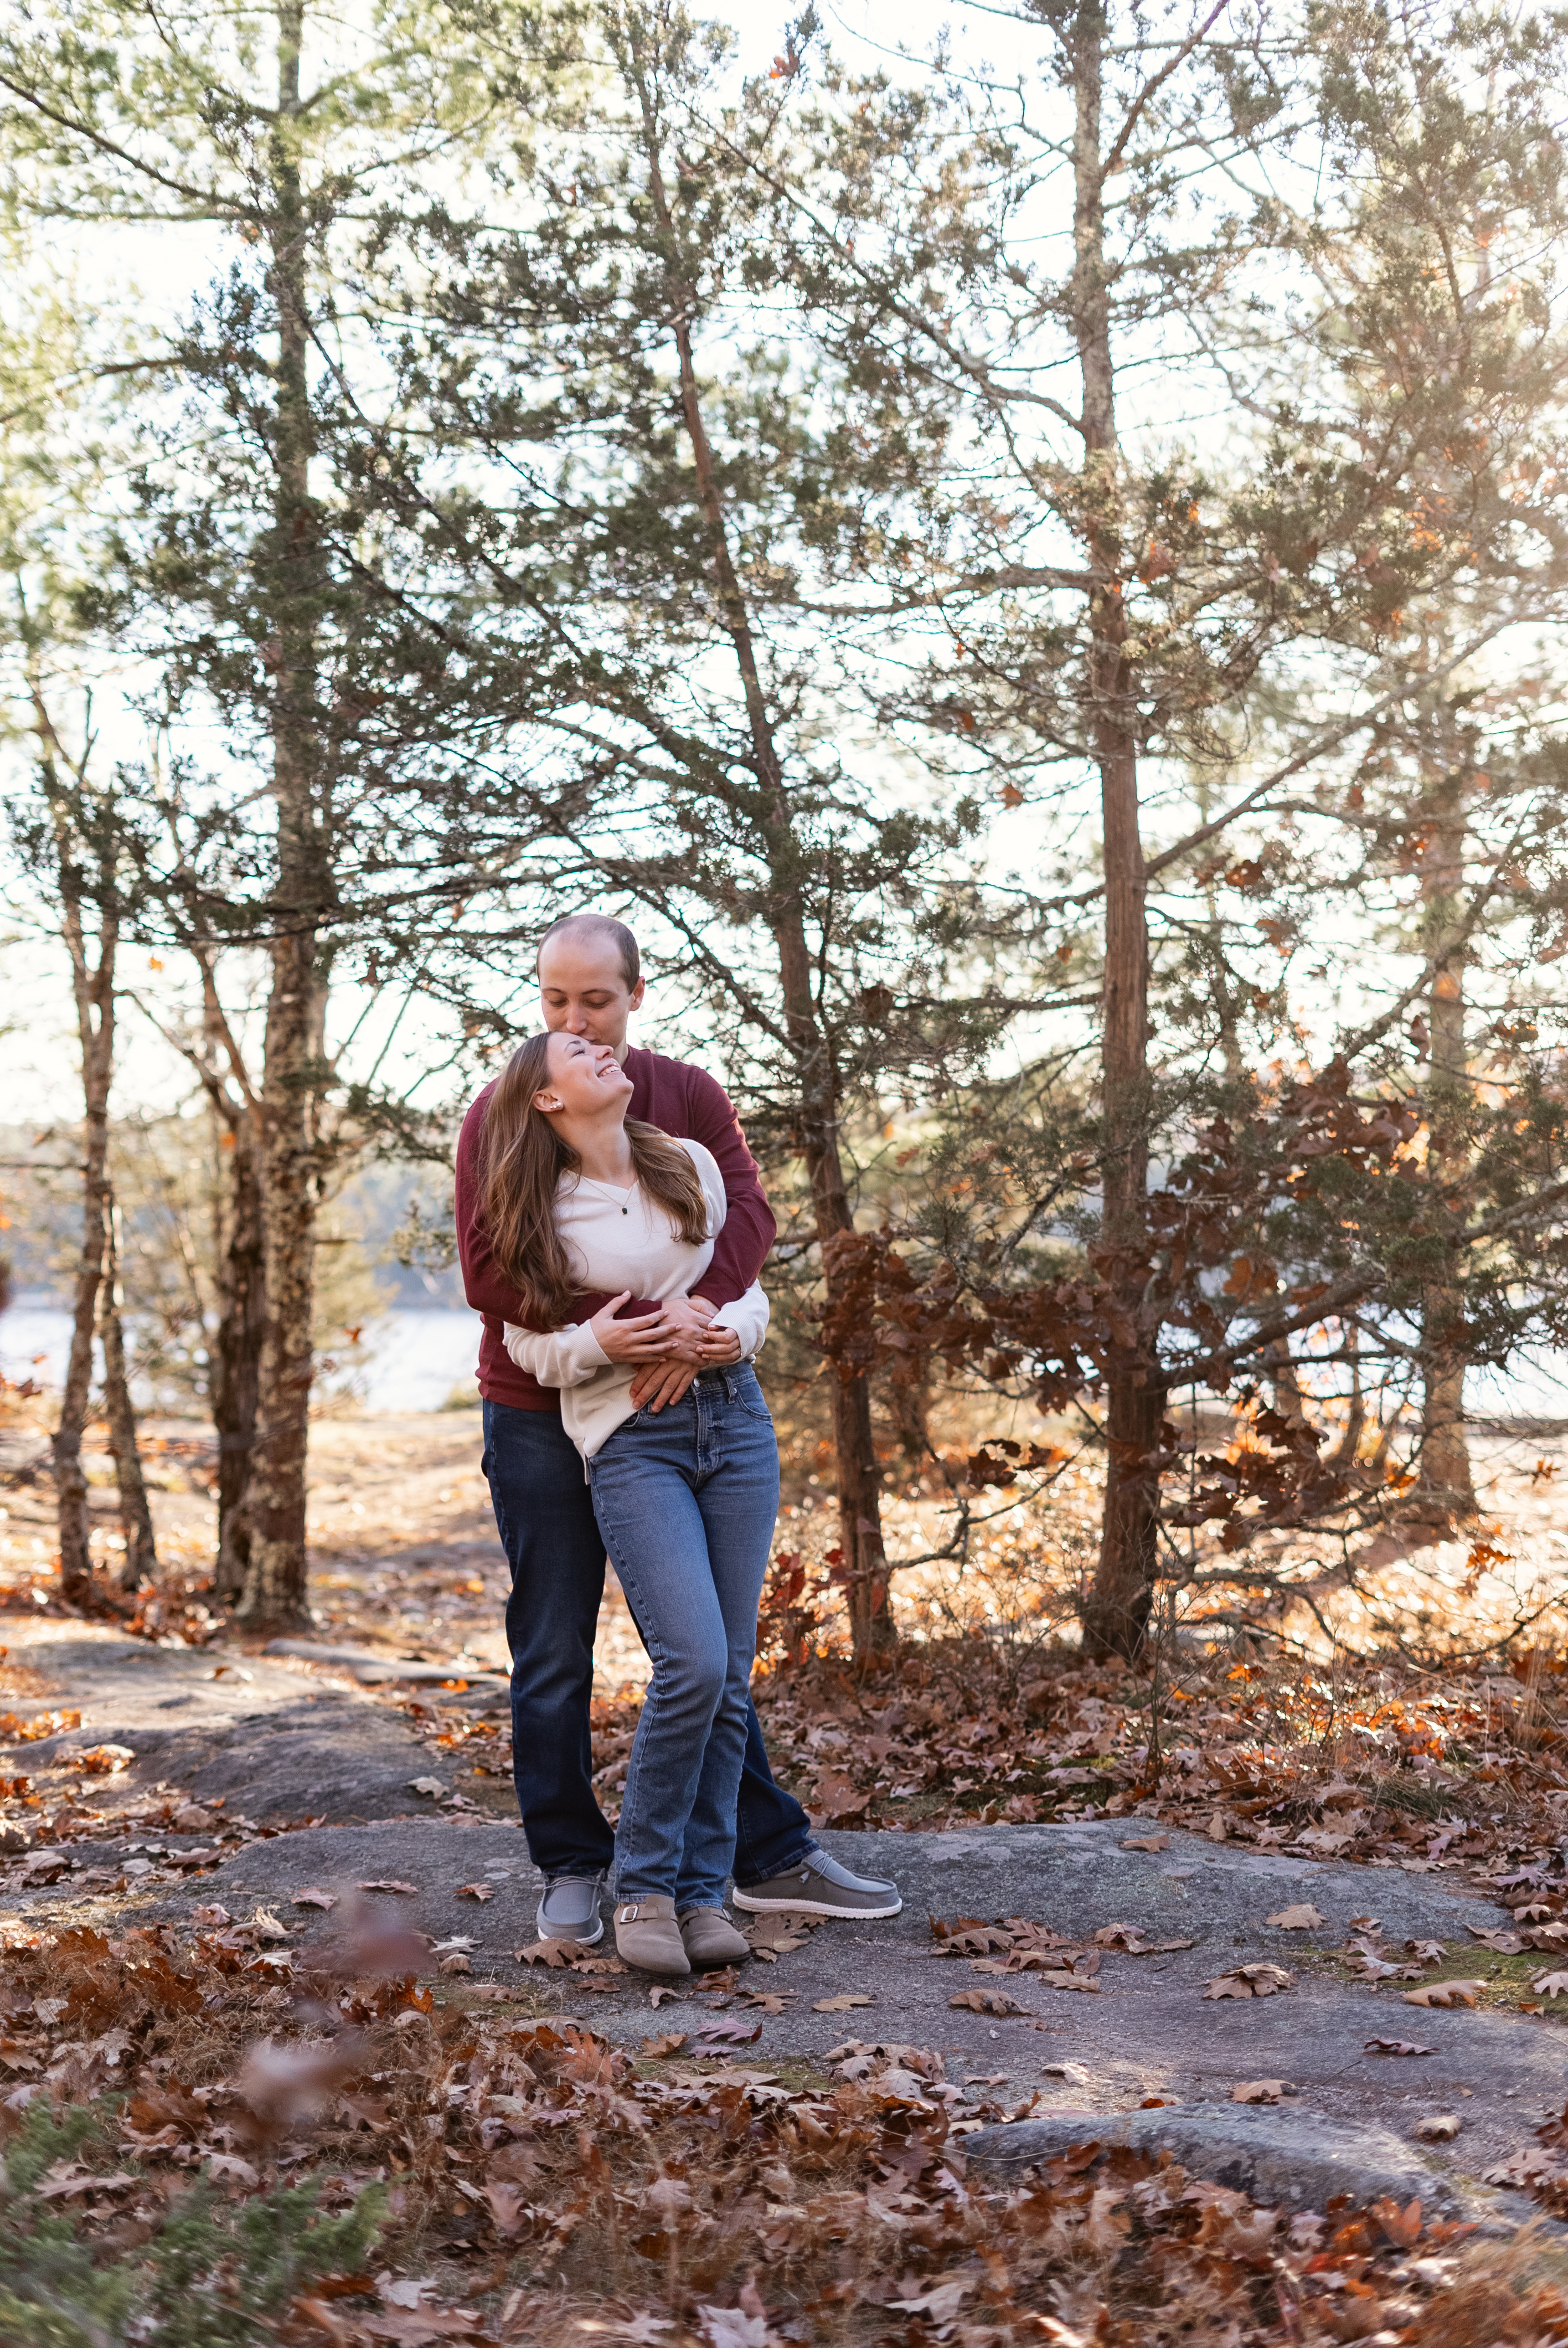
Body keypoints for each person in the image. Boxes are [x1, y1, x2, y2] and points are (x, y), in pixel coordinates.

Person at [455, 914, 900, 1946]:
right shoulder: (513, 1103)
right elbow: (490, 1273)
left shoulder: (685, 1098)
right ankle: (572, 1860)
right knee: (556, 1642)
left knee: (699, 1647)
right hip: (540, 1407)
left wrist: (688, 1324)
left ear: (635, 994)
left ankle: (757, 1854)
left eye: (596, 1001)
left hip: (683, 1391)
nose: (577, 1021)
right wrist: (614, 1335)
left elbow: (748, 1216)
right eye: (557, 1002)